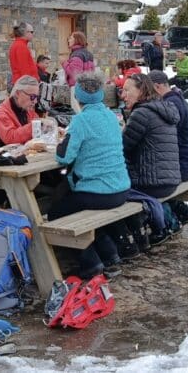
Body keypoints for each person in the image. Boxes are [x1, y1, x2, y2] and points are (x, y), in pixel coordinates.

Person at [50, 71, 132, 278]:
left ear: (77, 96)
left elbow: (64, 158)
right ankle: (110, 254)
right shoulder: (111, 117)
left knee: (55, 214)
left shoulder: (81, 121)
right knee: (80, 211)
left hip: (97, 192)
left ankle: (90, 262)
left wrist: (61, 143)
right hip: (121, 187)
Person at [121, 72, 181, 248]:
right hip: (169, 178)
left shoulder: (142, 114)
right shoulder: (162, 108)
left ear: (141, 91)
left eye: (126, 90)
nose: (123, 95)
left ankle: (128, 236)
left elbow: (122, 147)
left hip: (151, 183)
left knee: (111, 191)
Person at [149, 70, 188, 224]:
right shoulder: (178, 100)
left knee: (145, 181)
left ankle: (167, 220)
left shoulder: (170, 105)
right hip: (187, 160)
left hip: (180, 164)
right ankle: (181, 209)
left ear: (157, 87)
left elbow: (162, 140)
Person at [0, 75, 52, 148]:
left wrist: (50, 128)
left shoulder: (28, 109)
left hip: (22, 154)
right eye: (32, 97)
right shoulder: (0, 112)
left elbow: (38, 132)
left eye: (37, 97)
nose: (35, 101)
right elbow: (11, 138)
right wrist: (36, 124)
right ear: (18, 93)